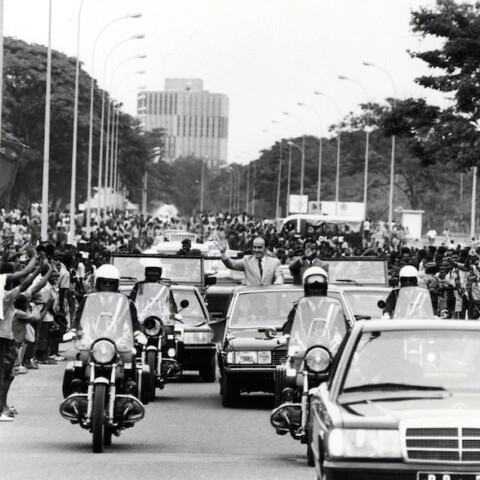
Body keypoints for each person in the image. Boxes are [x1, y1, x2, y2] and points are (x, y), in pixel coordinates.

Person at [215, 235, 283, 286]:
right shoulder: (247, 260)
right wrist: (223, 252)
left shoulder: (275, 262)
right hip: (250, 300)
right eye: (254, 247)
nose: (256, 250)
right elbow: (232, 264)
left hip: (269, 302)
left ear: (266, 248)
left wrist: (279, 281)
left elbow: (279, 275)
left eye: (259, 247)